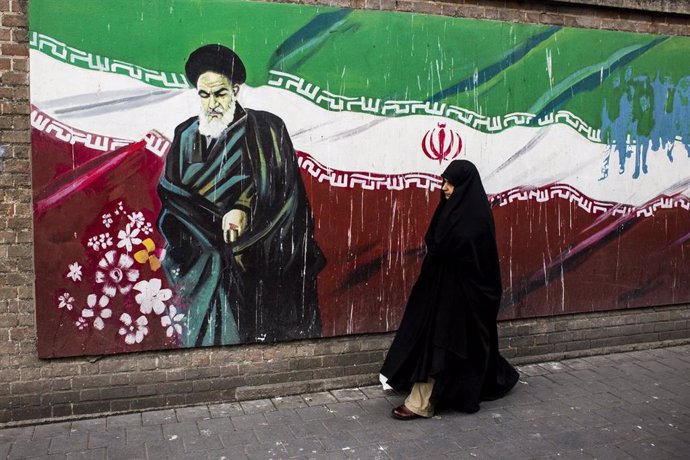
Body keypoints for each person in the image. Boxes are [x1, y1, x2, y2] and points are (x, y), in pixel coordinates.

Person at [157, 44, 325, 347]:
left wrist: (243, 210)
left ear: (235, 89)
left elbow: (285, 193)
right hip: (203, 258)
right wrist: (205, 227)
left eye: (219, 93)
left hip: (259, 252)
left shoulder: (267, 130)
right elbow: (173, 196)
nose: (212, 104)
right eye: (204, 95)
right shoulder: (186, 135)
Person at [380, 159, 519, 419]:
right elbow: (436, 241)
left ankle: (420, 403)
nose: (445, 188)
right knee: (453, 346)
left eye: (451, 183)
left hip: (465, 297)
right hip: (443, 291)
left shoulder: (475, 218)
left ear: (464, 186)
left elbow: (478, 262)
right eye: (444, 182)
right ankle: (484, 382)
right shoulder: (451, 211)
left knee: (441, 344)